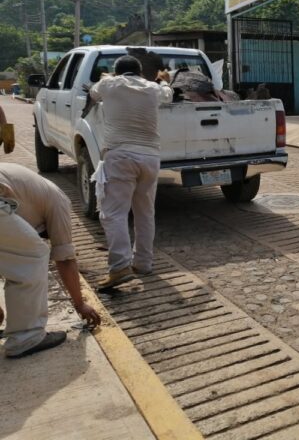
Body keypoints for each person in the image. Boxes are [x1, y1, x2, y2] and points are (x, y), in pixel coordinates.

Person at [89, 54, 173, 290]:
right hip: (150, 157)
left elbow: (93, 94)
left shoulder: (109, 84)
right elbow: (169, 93)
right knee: (145, 212)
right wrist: (164, 80)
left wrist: (107, 78)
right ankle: (143, 264)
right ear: (140, 72)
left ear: (117, 72)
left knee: (113, 213)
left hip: (120, 156)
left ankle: (119, 267)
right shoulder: (153, 88)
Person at [0, 163, 101, 358]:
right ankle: (26, 338)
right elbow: (64, 258)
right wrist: (80, 304)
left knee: (12, 254)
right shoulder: (58, 200)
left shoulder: (29, 195)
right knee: (33, 255)